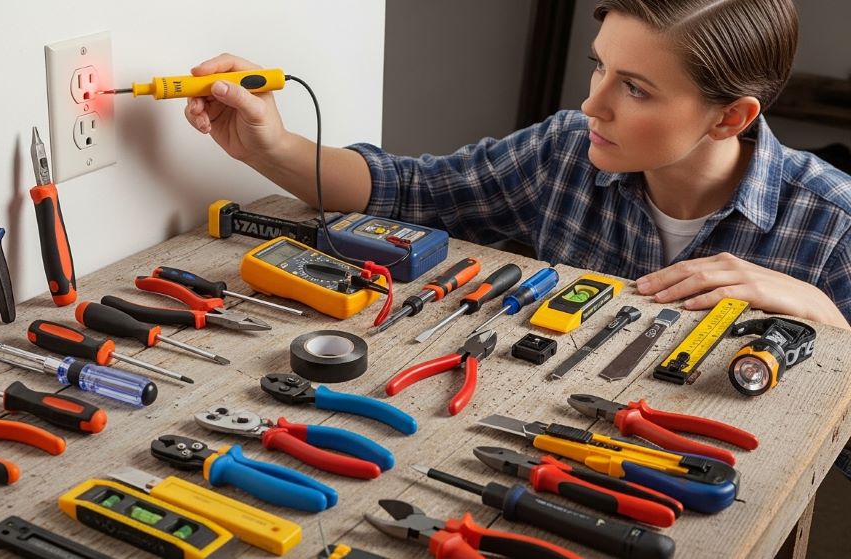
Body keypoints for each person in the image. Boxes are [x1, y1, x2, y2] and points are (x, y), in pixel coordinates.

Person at [182, 0, 851, 330]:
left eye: (636, 88)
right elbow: (410, 192)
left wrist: (826, 314)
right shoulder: (565, 150)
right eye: (599, 66)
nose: (592, 102)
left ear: (730, 118)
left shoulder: (835, 225)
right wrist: (272, 146)